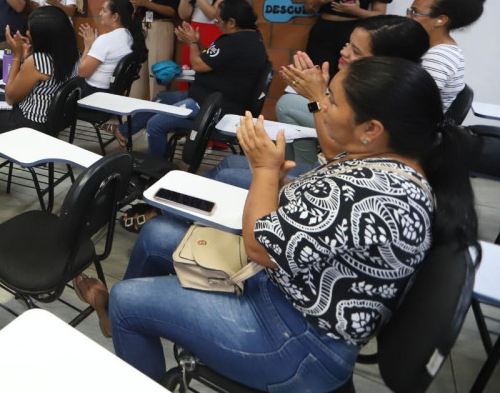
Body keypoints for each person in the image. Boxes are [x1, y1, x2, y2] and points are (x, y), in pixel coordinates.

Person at [75, 56, 479, 389]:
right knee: (158, 232)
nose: (321, 105)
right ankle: (132, 327)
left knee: (129, 299)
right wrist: (278, 180)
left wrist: (265, 170)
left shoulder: (373, 192)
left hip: (297, 343)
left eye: (332, 101)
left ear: (372, 129)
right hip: (285, 293)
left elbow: (259, 247)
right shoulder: (385, 161)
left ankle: (124, 322)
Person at [114, 0, 268, 158]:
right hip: (209, 98)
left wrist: (192, 43)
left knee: (155, 124)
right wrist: (197, 43)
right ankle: (125, 132)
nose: (216, 24)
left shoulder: (233, 42)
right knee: (161, 98)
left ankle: (157, 170)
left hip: (212, 108)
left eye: (218, 20)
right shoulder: (252, 38)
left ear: (231, 22)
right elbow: (212, 60)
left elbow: (198, 64)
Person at [275, 14, 430, 165]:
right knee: (288, 103)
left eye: (356, 51)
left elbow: (334, 154)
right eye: (348, 43)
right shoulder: (375, 80)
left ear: (383, 61)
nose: (344, 52)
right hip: (333, 167)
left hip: (346, 171)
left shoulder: (388, 97)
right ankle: (302, 167)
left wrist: (316, 97)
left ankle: (305, 169)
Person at [0, 6, 79, 136]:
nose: (27, 32)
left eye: (31, 30)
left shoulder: (37, 61)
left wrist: (17, 56)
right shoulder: (74, 55)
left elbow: (10, 98)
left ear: (45, 37)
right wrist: (26, 57)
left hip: (29, 124)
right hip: (54, 120)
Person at [407, 0, 489, 111]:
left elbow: (413, 104)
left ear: (440, 20)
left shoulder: (440, 56)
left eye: (415, 13)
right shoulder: (429, 46)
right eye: (409, 11)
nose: (407, 17)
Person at [128, 0, 181, 99]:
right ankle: (133, 117)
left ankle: (155, 117)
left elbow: (172, 11)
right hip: (142, 27)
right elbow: (138, 6)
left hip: (162, 28)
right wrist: (134, 4)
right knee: (137, 75)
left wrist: (147, 4)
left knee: (157, 76)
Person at [78, 0, 147, 94]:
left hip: (95, 95)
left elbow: (82, 72)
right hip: (115, 94)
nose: (100, 13)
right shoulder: (130, 37)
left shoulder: (105, 40)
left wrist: (88, 46)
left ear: (115, 17)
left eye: (104, 11)